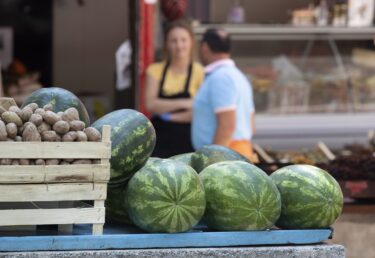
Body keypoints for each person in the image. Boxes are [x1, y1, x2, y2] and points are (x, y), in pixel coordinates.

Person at [192, 28, 257, 162]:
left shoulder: (220, 77)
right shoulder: (238, 76)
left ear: (204, 47)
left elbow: (227, 126)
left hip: (226, 159)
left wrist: (212, 162)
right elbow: (252, 125)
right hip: (238, 154)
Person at [145, 19, 204, 158]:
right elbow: (150, 104)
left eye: (183, 40)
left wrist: (167, 114)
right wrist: (185, 103)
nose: (179, 45)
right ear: (167, 44)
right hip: (159, 141)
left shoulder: (200, 72)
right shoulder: (155, 70)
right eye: (174, 40)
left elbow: (198, 112)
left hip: (189, 142)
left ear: (191, 42)